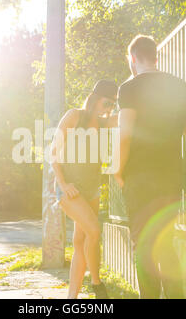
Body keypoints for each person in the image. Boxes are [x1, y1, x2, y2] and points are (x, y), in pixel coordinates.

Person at [115, 35, 186, 299]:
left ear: (133, 59)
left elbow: (124, 135)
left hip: (139, 177)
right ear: (156, 57)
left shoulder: (129, 88)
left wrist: (117, 169)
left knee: (143, 245)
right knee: (166, 242)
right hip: (171, 175)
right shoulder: (180, 85)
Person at [50, 80, 119, 299]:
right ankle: (97, 285)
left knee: (80, 242)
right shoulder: (74, 116)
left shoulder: (102, 123)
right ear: (95, 98)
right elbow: (53, 152)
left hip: (92, 190)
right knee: (94, 231)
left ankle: (72, 299)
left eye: (112, 105)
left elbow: (125, 117)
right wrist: (63, 184)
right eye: (107, 103)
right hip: (70, 189)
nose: (109, 109)